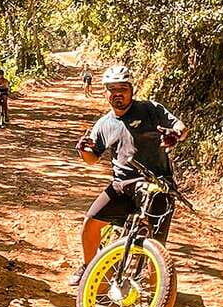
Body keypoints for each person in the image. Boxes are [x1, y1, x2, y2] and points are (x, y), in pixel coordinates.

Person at [70, 65, 187, 286]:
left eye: (122, 88)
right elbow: (92, 158)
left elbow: (180, 127)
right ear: (105, 93)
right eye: (111, 89)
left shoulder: (150, 109)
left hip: (157, 185)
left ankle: (158, 293)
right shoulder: (104, 124)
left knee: (156, 245)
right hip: (122, 186)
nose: (117, 94)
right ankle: (89, 268)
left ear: (132, 90)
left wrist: (175, 135)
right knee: (90, 223)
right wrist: (83, 149)